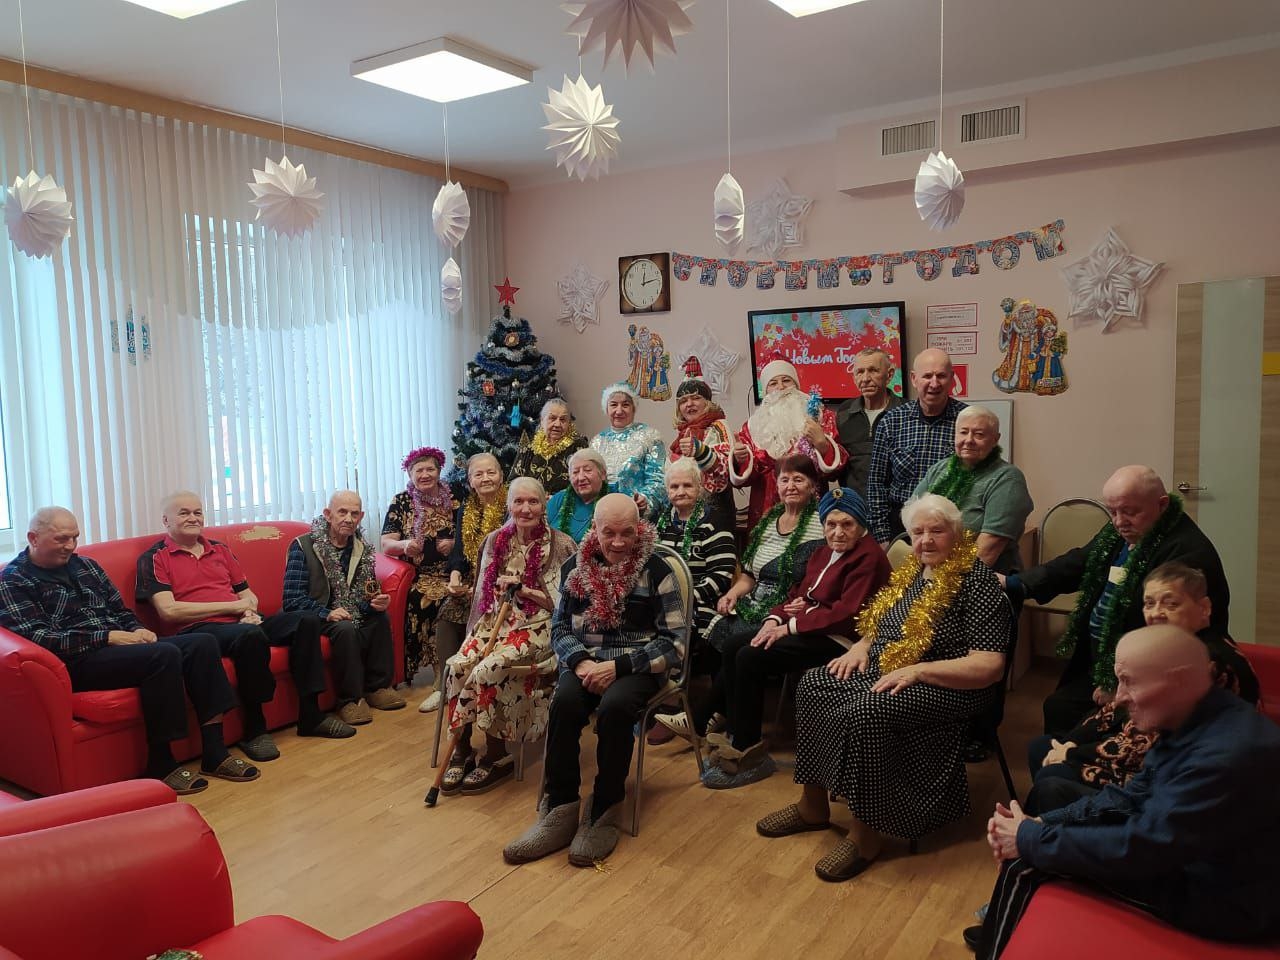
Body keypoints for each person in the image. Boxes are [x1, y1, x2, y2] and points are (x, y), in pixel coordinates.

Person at [970, 625, 1280, 959]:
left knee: (1027, 863)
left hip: (1225, 902)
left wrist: (1028, 839)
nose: (1118, 697)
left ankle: (997, 943)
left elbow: (1142, 846)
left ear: (1178, 680)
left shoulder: (1224, 757)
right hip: (1193, 862)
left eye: (1129, 681)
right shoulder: (1195, 715)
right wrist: (1040, 823)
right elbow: (1129, 797)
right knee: (1040, 836)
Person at [756, 494, 1011, 881]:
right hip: (889, 666)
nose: (926, 540)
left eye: (936, 531)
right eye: (918, 532)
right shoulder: (913, 572)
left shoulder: (978, 583)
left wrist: (920, 671)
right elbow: (879, 623)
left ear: (957, 533)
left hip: (950, 682)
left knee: (867, 710)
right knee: (813, 684)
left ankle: (865, 834)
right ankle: (812, 806)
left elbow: (989, 666)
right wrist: (861, 646)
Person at [0, 507, 258, 794]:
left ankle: (215, 752)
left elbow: (119, 610)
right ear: (33, 538)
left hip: (117, 647)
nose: (70, 546)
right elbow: (38, 636)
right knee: (162, 656)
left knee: (202, 644)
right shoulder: (13, 579)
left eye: (74, 538)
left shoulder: (86, 566)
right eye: (61, 539)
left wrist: (137, 629)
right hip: (76, 660)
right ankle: (161, 763)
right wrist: (107, 637)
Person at [503, 494, 686, 868]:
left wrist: (618, 667)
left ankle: (605, 806)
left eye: (627, 533)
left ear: (639, 529)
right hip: (586, 660)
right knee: (565, 703)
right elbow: (559, 628)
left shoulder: (657, 570)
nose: (618, 543)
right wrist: (582, 662)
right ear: (595, 529)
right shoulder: (575, 568)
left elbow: (675, 644)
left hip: (638, 665)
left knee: (616, 708)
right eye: (609, 533)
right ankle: (560, 807)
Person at [681, 487, 891, 789]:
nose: (838, 532)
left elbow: (846, 614)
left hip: (841, 640)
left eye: (847, 524)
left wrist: (789, 627)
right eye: (831, 524)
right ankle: (736, 733)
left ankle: (748, 750)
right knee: (735, 644)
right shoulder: (823, 552)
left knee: (750, 657)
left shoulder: (868, 557)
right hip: (810, 626)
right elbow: (797, 594)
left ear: (861, 525)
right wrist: (774, 619)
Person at [1004, 465, 1229, 736]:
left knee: (1069, 719)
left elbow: (1169, 639)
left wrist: (1125, 683)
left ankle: (1071, 759)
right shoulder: (1124, 529)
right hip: (1104, 659)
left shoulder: (1187, 552)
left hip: (1152, 673)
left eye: (1130, 512)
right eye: (1112, 511)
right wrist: (1017, 583)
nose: (1119, 521)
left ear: (1162, 505)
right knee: (1059, 708)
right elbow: (1078, 563)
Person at [1023, 562, 1257, 816]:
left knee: (1052, 781)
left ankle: (1044, 832)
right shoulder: (1172, 646)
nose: (1156, 613)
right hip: (1145, 761)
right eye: (1149, 603)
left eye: (1171, 604)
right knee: (1043, 747)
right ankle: (1046, 830)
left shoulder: (1206, 664)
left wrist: (1072, 754)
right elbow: (1115, 710)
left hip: (1168, 784)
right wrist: (1071, 743)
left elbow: (1148, 745)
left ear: (1204, 608)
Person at [137, 492, 356, 762]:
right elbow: (169, 611)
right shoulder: (154, 558)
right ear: (166, 520)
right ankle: (255, 728)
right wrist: (233, 608)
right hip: (197, 631)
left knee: (305, 620)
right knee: (249, 635)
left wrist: (249, 610)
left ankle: (311, 715)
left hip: (240, 622)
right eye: (184, 513)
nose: (193, 518)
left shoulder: (219, 549)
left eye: (197, 512)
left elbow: (248, 595)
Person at [438, 478, 577, 796]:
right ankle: (461, 750)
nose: (525, 509)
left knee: (489, 668)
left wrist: (526, 590)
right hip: (496, 621)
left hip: (539, 625)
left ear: (544, 505)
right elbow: (482, 596)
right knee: (459, 666)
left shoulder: (562, 544)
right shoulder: (494, 540)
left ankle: (497, 754)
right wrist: (492, 602)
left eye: (533, 502)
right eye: (518, 502)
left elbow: (567, 606)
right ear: (509, 505)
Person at [283, 490, 406, 727]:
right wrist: (327, 613)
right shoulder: (303, 546)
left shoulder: (362, 548)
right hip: (313, 616)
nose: (349, 519)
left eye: (354, 514)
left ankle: (378, 688)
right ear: (328, 515)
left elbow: (365, 594)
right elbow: (291, 600)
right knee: (345, 628)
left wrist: (374, 602)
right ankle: (350, 700)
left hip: (349, 611)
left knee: (379, 618)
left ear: (361, 517)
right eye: (342, 512)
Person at [646, 458, 739, 746]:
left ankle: (679, 706)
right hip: (661, 602)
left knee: (687, 628)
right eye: (674, 486)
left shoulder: (714, 522)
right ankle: (647, 701)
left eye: (687, 485)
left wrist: (684, 600)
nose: (680, 491)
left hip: (702, 601)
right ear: (667, 491)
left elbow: (721, 576)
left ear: (699, 488)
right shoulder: (659, 525)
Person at [703, 455, 825, 658]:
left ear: (812, 486)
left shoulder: (823, 525)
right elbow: (749, 575)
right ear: (777, 486)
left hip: (788, 610)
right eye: (784, 480)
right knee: (718, 627)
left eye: (798, 479)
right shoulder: (767, 522)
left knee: (740, 649)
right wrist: (732, 594)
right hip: (753, 605)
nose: (790, 486)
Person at [431, 453, 508, 715]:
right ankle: (447, 686)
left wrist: (485, 585)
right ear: (470, 481)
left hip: (501, 584)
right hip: (473, 582)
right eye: (479, 474)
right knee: (448, 609)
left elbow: (511, 556)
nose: (485, 478)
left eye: (491, 472)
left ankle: (478, 683)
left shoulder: (510, 507)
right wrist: (455, 577)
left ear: (501, 476)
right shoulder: (467, 509)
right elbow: (459, 553)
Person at [912, 406, 1032, 574]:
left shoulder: (1008, 479)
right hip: (931, 570)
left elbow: (988, 549)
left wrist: (942, 582)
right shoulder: (940, 469)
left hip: (980, 578)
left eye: (979, 434)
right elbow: (912, 515)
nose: (969, 440)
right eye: (963, 432)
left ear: (995, 439)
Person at [380, 445, 456, 712]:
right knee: (424, 598)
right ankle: (439, 675)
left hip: (454, 571)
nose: (425, 475)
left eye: (430, 469)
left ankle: (457, 668)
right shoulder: (402, 501)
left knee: (456, 597)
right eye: (419, 470)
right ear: (410, 474)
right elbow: (386, 544)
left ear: (439, 471)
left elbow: (471, 535)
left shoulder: (455, 498)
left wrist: (455, 544)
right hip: (420, 574)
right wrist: (404, 545)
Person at [730, 358, 846, 529]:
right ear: (766, 391)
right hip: (766, 510)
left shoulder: (821, 417)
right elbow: (744, 478)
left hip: (812, 505)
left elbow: (838, 470)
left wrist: (823, 445)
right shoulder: (753, 426)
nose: (781, 387)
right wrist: (741, 460)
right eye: (773, 383)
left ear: (796, 385)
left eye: (786, 380)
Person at [866, 348, 966, 544]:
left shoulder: (967, 422)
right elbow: (876, 484)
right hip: (900, 528)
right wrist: (882, 537)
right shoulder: (892, 421)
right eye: (927, 376)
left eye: (941, 376)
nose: (934, 383)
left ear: (952, 379)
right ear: (914, 379)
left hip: (949, 528)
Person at [669, 357, 736, 533]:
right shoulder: (682, 432)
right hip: (685, 510)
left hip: (715, 509)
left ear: (707, 402)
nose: (689, 404)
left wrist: (700, 451)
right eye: (683, 401)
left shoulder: (719, 426)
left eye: (696, 398)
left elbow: (726, 469)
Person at [834, 348, 903, 498]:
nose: (865, 378)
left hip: (897, 506)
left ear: (889, 375)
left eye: (873, 370)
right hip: (854, 506)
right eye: (860, 372)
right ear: (854, 377)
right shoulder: (843, 413)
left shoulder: (906, 413)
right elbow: (837, 467)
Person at [591, 382, 666, 516]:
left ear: (633, 408)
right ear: (606, 409)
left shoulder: (650, 437)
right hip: (603, 513)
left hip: (637, 514)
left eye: (625, 405)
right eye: (614, 405)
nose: (619, 411)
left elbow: (658, 479)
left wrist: (645, 500)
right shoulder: (597, 442)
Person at [511, 398, 588, 497]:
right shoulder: (529, 443)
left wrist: (555, 499)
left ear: (569, 423)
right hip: (529, 501)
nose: (557, 424)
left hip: (563, 503)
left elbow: (584, 483)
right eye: (552, 418)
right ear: (542, 420)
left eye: (563, 420)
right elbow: (513, 480)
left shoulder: (579, 446)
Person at [546, 447, 614, 543]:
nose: (581, 478)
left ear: (603, 474)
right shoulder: (560, 498)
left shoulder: (612, 501)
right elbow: (540, 530)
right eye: (575, 472)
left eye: (587, 470)